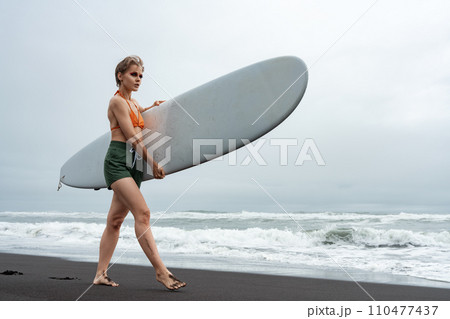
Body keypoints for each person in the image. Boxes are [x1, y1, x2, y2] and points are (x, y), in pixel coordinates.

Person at [93, 55, 186, 291]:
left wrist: (153, 107)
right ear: (120, 75)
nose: (138, 79)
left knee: (115, 221)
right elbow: (133, 138)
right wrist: (153, 164)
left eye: (141, 76)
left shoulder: (134, 104)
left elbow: (139, 116)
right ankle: (161, 272)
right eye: (134, 74)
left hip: (133, 165)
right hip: (117, 161)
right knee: (143, 213)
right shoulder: (117, 103)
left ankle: (100, 274)